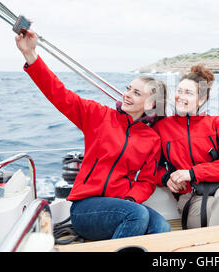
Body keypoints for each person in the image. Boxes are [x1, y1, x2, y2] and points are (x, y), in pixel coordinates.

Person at [13, 28, 170, 241]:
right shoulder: (98, 116)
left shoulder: (151, 139)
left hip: (121, 205)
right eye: (128, 88)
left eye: (136, 92)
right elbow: (60, 94)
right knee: (137, 215)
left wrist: (131, 199)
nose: (126, 94)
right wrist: (30, 56)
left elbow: (147, 181)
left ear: (151, 104)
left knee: (161, 226)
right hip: (86, 207)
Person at [154, 65, 219, 229]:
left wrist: (192, 173)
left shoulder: (216, 124)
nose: (181, 97)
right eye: (179, 91)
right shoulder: (162, 128)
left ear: (201, 100)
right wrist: (165, 178)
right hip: (192, 197)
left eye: (189, 93)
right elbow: (150, 166)